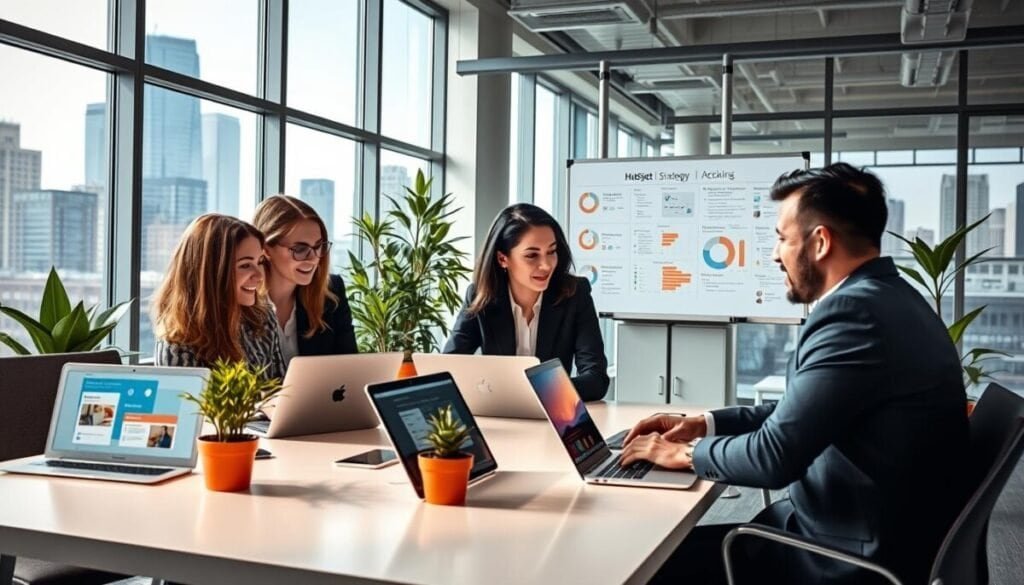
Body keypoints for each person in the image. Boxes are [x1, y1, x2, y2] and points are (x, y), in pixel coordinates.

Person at [620, 163, 969, 585]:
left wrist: (684, 454)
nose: (774, 254)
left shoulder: (853, 313)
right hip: (870, 531)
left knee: (645, 563)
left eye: (783, 238)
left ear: (820, 242)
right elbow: (799, 412)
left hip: (841, 557)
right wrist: (703, 424)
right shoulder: (894, 298)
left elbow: (774, 457)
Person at [444, 203, 609, 401]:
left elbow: (596, 379)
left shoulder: (575, 294)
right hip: (499, 412)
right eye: (532, 255)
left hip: (553, 412)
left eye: (551, 251)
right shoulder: (482, 296)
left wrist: (536, 392)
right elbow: (448, 368)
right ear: (503, 259)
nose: (546, 265)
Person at [152, 214, 286, 380]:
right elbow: (186, 398)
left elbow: (282, 386)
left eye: (259, 262)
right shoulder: (178, 343)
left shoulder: (263, 318)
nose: (259, 276)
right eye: (245, 265)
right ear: (211, 273)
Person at [253, 195, 358, 365]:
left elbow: (350, 366)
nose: (313, 258)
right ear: (266, 249)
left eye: (318, 246)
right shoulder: (241, 301)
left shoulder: (331, 293)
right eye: (300, 249)